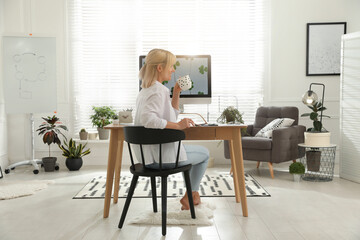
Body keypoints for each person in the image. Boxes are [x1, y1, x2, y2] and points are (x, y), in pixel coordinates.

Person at [134, 48, 209, 210]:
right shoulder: (159, 90)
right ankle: (191, 195)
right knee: (204, 154)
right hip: (160, 159)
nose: (173, 70)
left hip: (147, 158)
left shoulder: (146, 91)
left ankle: (193, 195)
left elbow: (169, 117)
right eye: (171, 66)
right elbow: (149, 119)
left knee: (185, 151)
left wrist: (176, 92)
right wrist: (179, 126)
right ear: (160, 68)